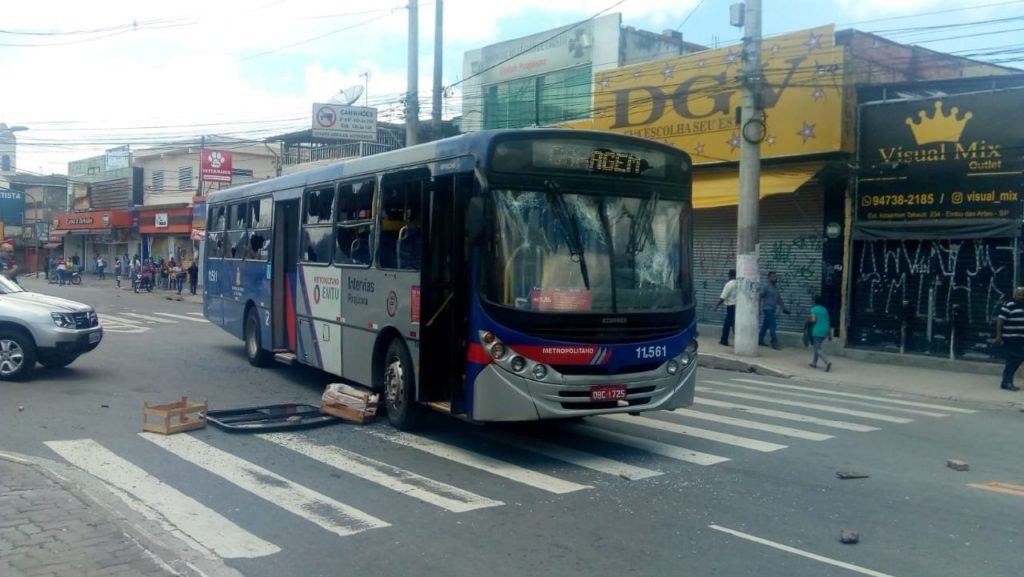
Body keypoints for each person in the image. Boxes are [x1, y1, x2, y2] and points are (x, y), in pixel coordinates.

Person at [994, 286, 1024, 391]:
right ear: (1014, 294)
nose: (1021, 296)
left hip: (1021, 338)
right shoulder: (1008, 305)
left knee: (1014, 359)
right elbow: (1000, 321)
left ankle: (1006, 382)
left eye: (1022, 294)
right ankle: (1007, 382)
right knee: (1016, 358)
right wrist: (999, 335)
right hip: (1010, 337)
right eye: (1019, 294)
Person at [758, 271, 790, 349]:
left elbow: (779, 299)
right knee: (773, 325)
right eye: (773, 276)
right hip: (767, 309)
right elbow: (760, 297)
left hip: (773, 309)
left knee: (765, 326)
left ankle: (759, 340)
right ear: (769, 278)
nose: (775, 278)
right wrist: (758, 309)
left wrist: (784, 308)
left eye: (776, 276)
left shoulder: (775, 287)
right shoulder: (766, 286)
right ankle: (774, 343)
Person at [807, 295, 833, 372]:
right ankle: (814, 363)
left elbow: (813, 320)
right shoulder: (824, 309)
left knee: (817, 349)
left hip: (817, 330)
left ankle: (827, 362)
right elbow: (828, 321)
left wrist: (809, 319)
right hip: (825, 331)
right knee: (817, 347)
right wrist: (829, 335)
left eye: (812, 300)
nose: (811, 302)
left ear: (814, 301)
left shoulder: (813, 309)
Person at [714, 269, 737, 346]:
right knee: (734, 324)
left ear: (730, 275)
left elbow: (723, 297)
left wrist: (716, 306)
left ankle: (724, 340)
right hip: (738, 307)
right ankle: (738, 341)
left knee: (727, 325)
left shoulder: (729, 284)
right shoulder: (739, 284)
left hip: (731, 307)